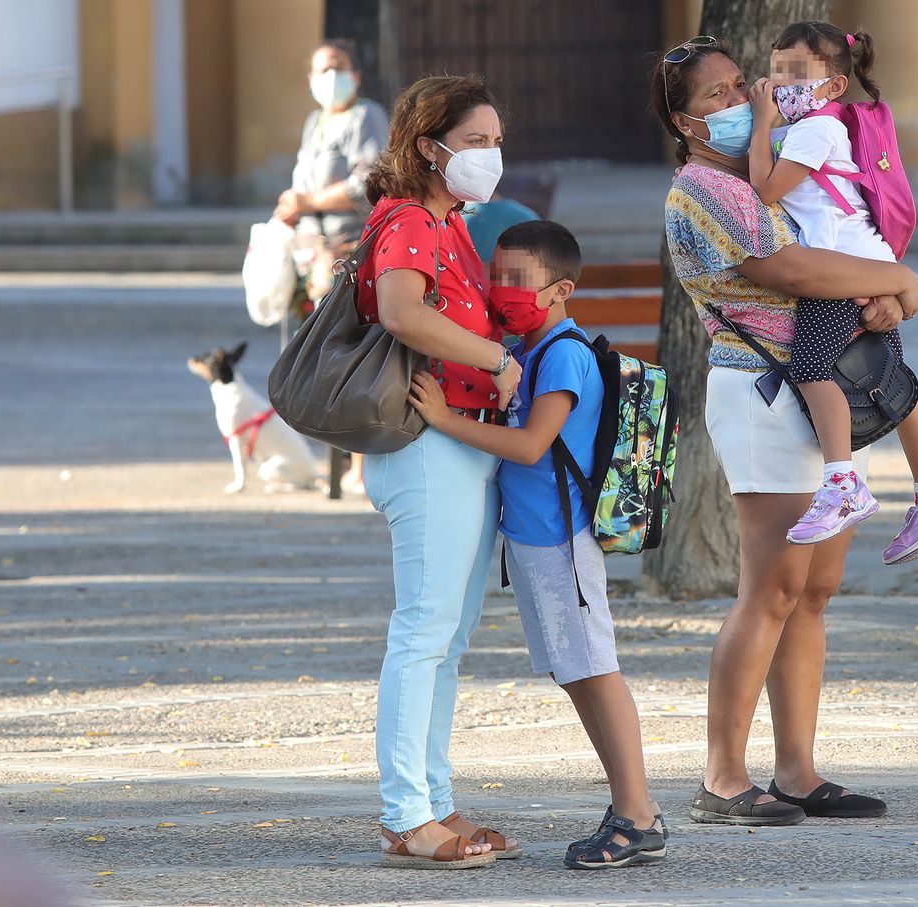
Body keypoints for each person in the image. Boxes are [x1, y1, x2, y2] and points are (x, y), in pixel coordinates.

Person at [652, 37, 918, 825]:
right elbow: (793, 271)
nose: (742, 100)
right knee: (770, 588)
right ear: (685, 122)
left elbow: (832, 250)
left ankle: (798, 770)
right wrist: (901, 280)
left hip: (817, 392)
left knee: (812, 592)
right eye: (717, 96)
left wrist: (889, 297)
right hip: (763, 393)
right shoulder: (703, 188)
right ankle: (722, 776)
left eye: (742, 84)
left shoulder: (764, 173)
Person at [408, 219, 667, 870]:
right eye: (495, 275)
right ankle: (630, 807)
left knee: (595, 669)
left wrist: (443, 418)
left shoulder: (563, 354)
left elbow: (529, 446)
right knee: (574, 671)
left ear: (560, 290)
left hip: (562, 542)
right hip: (533, 541)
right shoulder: (526, 351)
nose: (501, 289)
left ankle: (638, 814)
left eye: (517, 279)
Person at [356, 73, 524, 869]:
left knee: (446, 638)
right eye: (476, 141)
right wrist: (496, 357)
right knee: (424, 633)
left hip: (460, 442)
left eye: (496, 141)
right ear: (429, 146)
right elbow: (401, 311)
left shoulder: (449, 221)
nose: (492, 154)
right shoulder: (409, 220)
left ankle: (432, 800)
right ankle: (405, 815)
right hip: (426, 448)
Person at [747, 20, 918, 563]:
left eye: (796, 72)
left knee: (811, 367)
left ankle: (842, 483)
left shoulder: (814, 130)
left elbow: (765, 190)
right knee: (890, 381)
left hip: (839, 271)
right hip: (867, 263)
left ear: (834, 84)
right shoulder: (819, 126)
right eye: (777, 69)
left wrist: (761, 124)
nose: (780, 82)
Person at [274, 39, 390, 494]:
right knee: (322, 361)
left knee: (353, 355)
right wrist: (294, 210)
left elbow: (370, 181)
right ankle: (337, 461)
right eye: (321, 69)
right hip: (314, 255)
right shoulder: (315, 122)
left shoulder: (366, 116)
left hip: (351, 251)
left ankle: (360, 465)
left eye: (338, 67)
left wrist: (308, 201)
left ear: (356, 75)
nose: (330, 77)